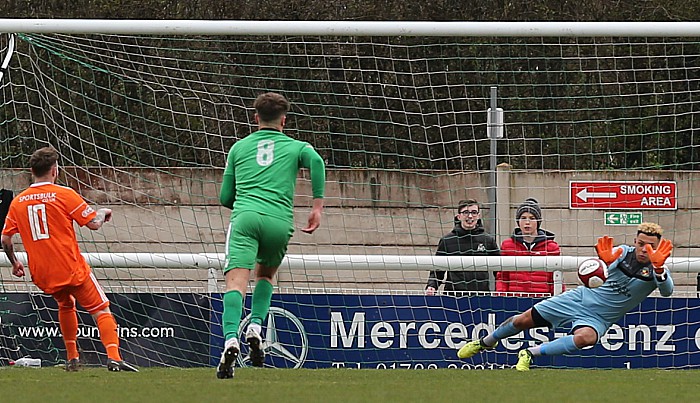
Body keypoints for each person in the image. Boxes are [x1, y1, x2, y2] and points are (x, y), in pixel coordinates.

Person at [457, 222, 674, 371]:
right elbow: (597, 270)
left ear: (658, 246)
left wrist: (659, 269)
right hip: (578, 299)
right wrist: (605, 262)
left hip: (599, 318)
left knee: (586, 338)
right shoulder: (622, 253)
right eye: (640, 243)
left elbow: (667, 291)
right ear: (635, 241)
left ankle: (529, 354)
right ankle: (485, 342)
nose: (644, 249)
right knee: (523, 320)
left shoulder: (658, 269)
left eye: (650, 246)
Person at [216, 92, 325, 379]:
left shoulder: (239, 148)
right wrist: (316, 206)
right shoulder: (297, 146)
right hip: (279, 221)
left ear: (256, 118)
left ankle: (230, 339)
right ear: (284, 120)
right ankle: (256, 327)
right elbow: (316, 162)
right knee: (265, 276)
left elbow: (225, 197)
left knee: (236, 281)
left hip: (247, 218)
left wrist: (247, 200)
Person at [1, 147, 138, 372]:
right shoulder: (64, 194)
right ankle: (114, 357)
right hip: (70, 268)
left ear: (31, 171)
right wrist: (103, 212)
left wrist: (15, 261)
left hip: (43, 273)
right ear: (54, 170)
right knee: (101, 309)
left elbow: (5, 239)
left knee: (65, 304)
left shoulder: (18, 202)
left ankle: (72, 357)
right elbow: (93, 223)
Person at [425, 199, 500, 295]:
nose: (470, 216)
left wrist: (501, 290)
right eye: (465, 212)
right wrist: (432, 286)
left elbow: (499, 269)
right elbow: (437, 269)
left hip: (481, 296)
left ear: (478, 216)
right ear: (459, 216)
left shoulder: (488, 240)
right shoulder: (447, 240)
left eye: (473, 212)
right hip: (453, 297)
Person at [496, 198, 561, 295]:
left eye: (531, 218)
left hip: (542, 301)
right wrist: (501, 299)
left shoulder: (551, 247)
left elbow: (556, 279)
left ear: (538, 221)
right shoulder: (507, 245)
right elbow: (502, 277)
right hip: (514, 300)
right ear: (518, 221)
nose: (527, 222)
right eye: (523, 218)